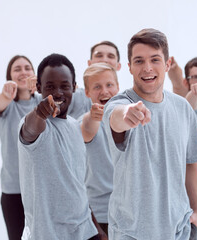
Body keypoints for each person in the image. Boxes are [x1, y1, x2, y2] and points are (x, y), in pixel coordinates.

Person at [102, 28, 197, 240]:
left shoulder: (182, 108)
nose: (147, 68)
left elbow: (191, 162)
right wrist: (128, 114)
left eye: (155, 60)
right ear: (129, 67)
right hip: (131, 233)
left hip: (179, 231)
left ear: (167, 64)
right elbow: (116, 118)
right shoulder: (120, 104)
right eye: (139, 61)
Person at [18, 53, 98, 239]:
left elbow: (78, 185)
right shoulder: (32, 123)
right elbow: (30, 130)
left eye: (64, 86)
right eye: (50, 86)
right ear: (38, 88)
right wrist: (40, 112)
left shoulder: (74, 126)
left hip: (85, 231)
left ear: (74, 87)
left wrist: (97, 229)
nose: (58, 92)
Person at [0, 55, 38, 240]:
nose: (23, 72)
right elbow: (1, 102)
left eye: (27, 68)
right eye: (17, 69)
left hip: (39, 188)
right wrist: (6, 95)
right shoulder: (6, 105)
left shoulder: (43, 102)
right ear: (9, 76)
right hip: (13, 190)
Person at [80, 62, 120, 239]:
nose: (104, 91)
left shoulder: (127, 117)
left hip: (129, 211)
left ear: (118, 87)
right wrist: (93, 116)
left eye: (109, 85)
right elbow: (87, 128)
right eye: (97, 87)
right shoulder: (86, 122)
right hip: (100, 214)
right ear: (87, 92)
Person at [68, 41, 121, 119]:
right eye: (99, 55)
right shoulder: (75, 96)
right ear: (89, 63)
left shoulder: (126, 104)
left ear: (118, 66)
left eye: (111, 56)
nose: (104, 60)